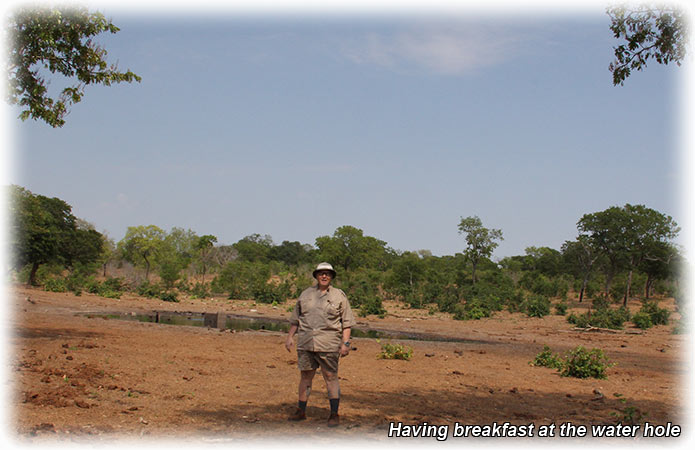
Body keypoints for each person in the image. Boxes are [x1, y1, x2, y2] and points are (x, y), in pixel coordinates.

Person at [285, 262, 355, 427]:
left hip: (329, 344)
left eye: (327, 274)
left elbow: (347, 323)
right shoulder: (306, 294)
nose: (324, 276)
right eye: (321, 273)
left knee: (330, 377)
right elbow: (296, 319)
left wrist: (345, 343)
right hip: (306, 343)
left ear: (331, 277)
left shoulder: (339, 296)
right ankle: (301, 411)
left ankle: (334, 414)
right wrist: (289, 337)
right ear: (316, 275)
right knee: (305, 377)